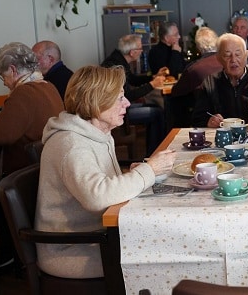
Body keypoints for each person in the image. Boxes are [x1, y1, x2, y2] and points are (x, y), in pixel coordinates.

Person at [35, 65, 176, 279]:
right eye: (120, 98)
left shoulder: (95, 132)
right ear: (96, 100)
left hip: (98, 234)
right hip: (73, 249)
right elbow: (97, 197)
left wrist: (132, 173)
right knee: (164, 253)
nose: (127, 103)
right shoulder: (72, 144)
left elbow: (99, 183)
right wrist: (148, 171)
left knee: (166, 239)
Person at [0, 42, 64, 269]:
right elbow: (17, 121)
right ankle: (12, 250)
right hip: (44, 170)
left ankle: (10, 251)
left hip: (24, 177)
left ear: (14, 71)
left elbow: (1, 134)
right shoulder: (46, 86)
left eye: (3, 76)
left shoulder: (23, 93)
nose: (5, 82)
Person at [192, 33, 248, 128]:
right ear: (218, 58)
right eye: (227, 55)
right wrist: (208, 121)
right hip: (222, 139)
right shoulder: (210, 83)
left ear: (246, 55)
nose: (233, 60)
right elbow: (196, 119)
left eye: (238, 54)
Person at [101, 34, 166, 157]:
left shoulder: (118, 59)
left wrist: (153, 77)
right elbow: (129, 96)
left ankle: (154, 151)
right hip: (116, 112)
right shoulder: (116, 66)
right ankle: (153, 153)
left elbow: (133, 80)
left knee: (154, 107)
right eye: (140, 49)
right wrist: (152, 84)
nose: (142, 52)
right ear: (132, 52)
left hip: (120, 107)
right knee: (157, 113)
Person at [170, 27, 223, 127]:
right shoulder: (229, 63)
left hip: (204, 116)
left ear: (198, 47)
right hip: (229, 111)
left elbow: (176, 92)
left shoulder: (194, 68)